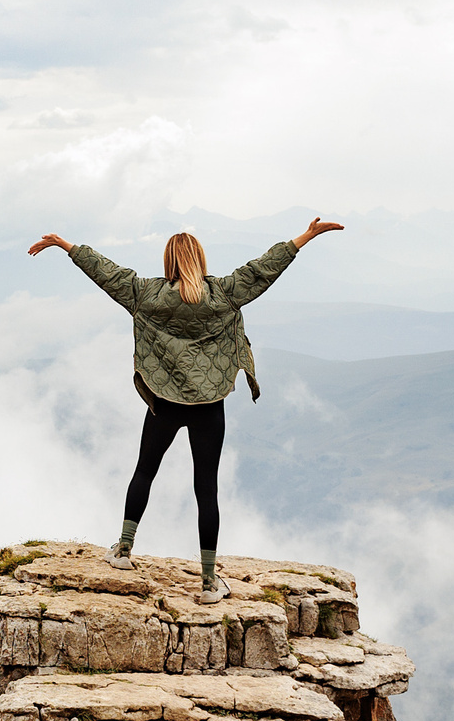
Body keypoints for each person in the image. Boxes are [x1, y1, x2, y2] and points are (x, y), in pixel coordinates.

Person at [28, 219, 344, 603]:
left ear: (169, 261)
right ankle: (210, 584)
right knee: (206, 489)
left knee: (145, 470)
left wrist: (68, 246)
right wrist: (305, 238)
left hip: (165, 402)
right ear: (200, 259)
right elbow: (263, 268)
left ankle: (124, 551)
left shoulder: (146, 295)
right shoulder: (223, 294)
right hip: (209, 406)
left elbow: (107, 273)